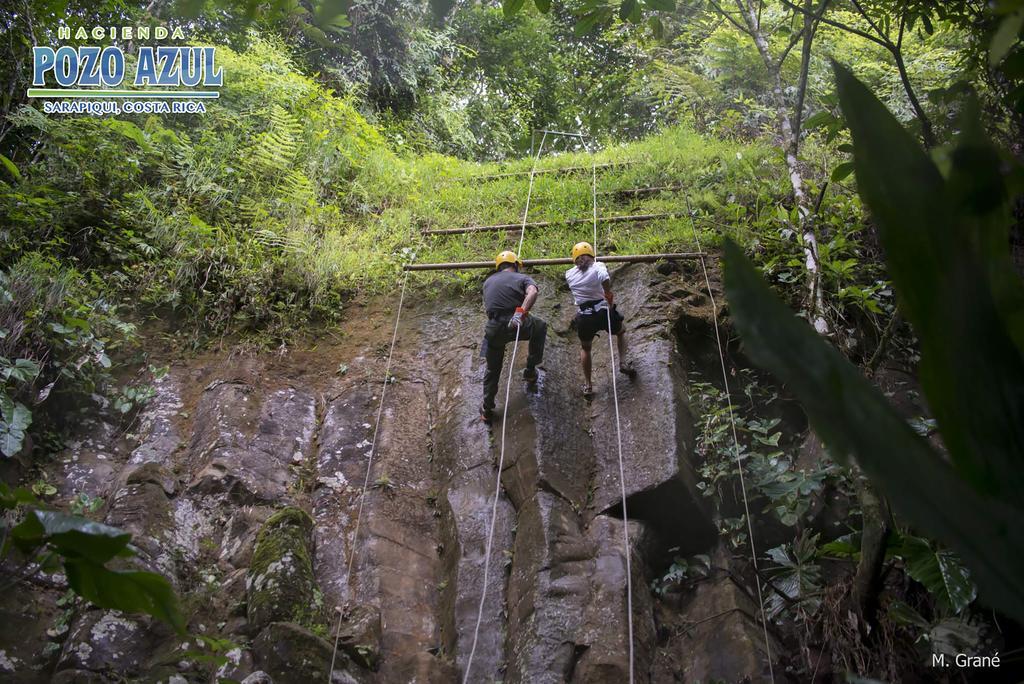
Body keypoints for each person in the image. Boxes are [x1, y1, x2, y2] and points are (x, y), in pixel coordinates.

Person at [479, 250, 547, 423]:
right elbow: (532, 293)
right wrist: (520, 313)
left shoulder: (488, 282)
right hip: (517, 322)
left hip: (494, 327)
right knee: (540, 327)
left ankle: (487, 408)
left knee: (492, 368)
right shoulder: (522, 278)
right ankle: (530, 371)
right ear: (515, 265)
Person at [564, 241, 634, 397]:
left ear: (574, 259)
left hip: (584, 316)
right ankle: (623, 362)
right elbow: (604, 277)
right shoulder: (598, 266)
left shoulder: (569, 274)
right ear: (592, 255)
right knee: (621, 331)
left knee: (586, 348)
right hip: (602, 311)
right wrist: (608, 293)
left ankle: (588, 385)